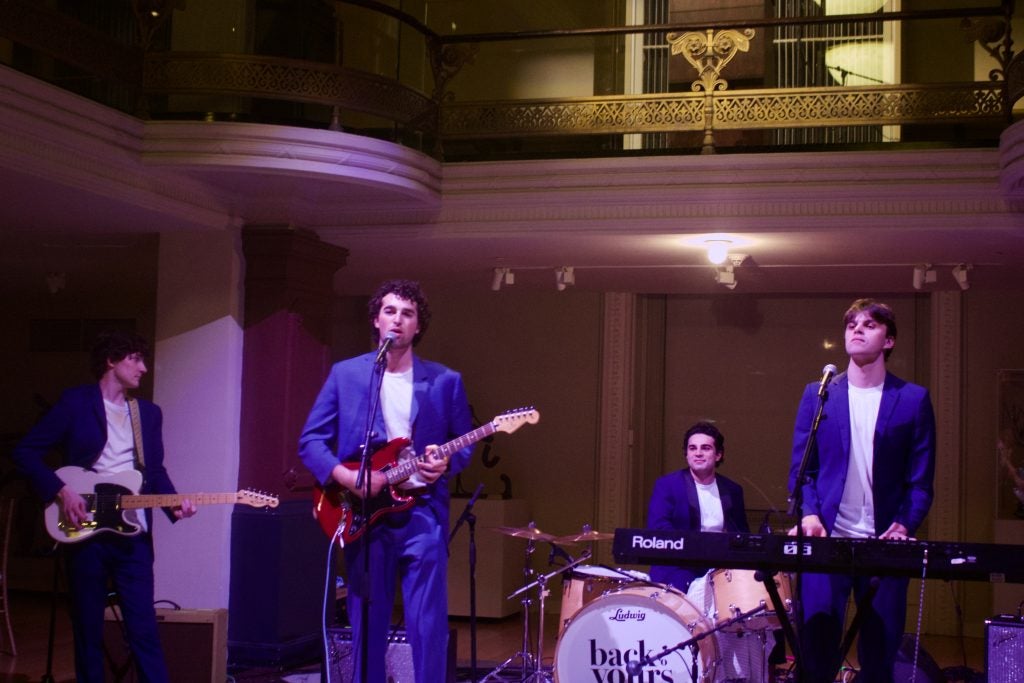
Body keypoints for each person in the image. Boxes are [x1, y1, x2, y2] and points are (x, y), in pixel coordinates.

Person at [299, 279, 474, 683]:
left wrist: (442, 466)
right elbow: (311, 440)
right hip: (365, 515)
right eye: (390, 311)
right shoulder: (347, 375)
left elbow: (462, 447)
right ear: (376, 320)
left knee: (427, 625)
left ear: (418, 326)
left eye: (408, 313)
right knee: (366, 621)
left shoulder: (446, 380)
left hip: (423, 515)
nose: (398, 319)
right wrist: (344, 475)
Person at [12, 331, 196, 683]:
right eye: (135, 359)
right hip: (85, 533)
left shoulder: (148, 414)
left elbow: (154, 471)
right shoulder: (75, 403)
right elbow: (26, 452)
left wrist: (174, 505)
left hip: (134, 534)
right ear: (111, 361)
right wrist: (60, 490)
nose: (143, 367)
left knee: (143, 629)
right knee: (88, 629)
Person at [788, 298, 936, 683]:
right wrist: (808, 513)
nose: (857, 329)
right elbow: (804, 470)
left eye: (869, 324)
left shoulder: (913, 399)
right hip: (827, 542)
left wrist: (905, 524)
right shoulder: (819, 395)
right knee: (816, 655)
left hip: (884, 544)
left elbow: (919, 479)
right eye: (852, 323)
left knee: (879, 657)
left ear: (889, 340)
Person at [649, 421, 777, 683]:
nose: (698, 453)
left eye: (705, 448)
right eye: (692, 448)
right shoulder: (667, 485)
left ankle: (737, 674)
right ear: (686, 454)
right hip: (679, 570)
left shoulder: (732, 490)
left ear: (718, 455)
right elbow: (659, 530)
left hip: (721, 573)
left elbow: (740, 536)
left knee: (754, 612)